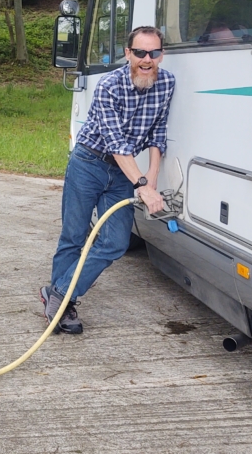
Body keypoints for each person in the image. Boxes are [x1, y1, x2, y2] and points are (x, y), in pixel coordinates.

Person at [41, 26, 176, 334]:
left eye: (153, 53)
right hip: (89, 163)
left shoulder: (166, 83)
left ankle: (59, 292)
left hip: (122, 173)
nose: (146, 59)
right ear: (127, 54)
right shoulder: (108, 85)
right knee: (74, 236)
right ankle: (65, 306)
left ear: (161, 55)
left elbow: (158, 133)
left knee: (115, 242)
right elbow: (116, 143)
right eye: (139, 53)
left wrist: (151, 179)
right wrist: (142, 185)